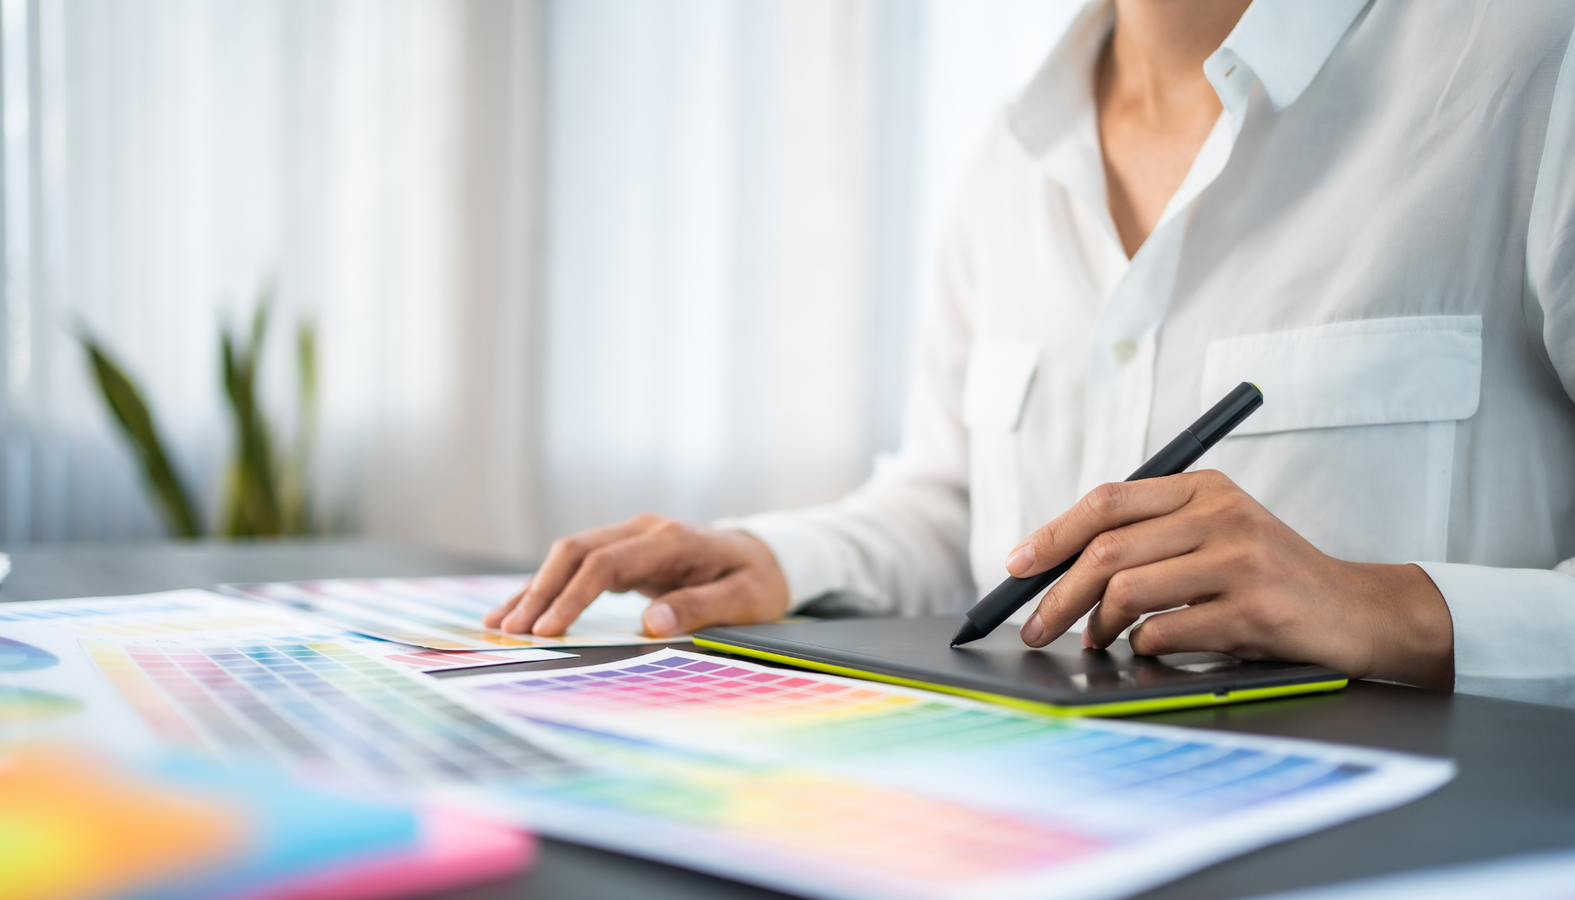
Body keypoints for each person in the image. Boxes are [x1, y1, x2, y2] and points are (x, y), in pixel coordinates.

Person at [486, 0, 1575, 706]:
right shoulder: (1010, 156)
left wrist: (1392, 608)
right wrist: (777, 560)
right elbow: (956, 515)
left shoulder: (1531, 62)